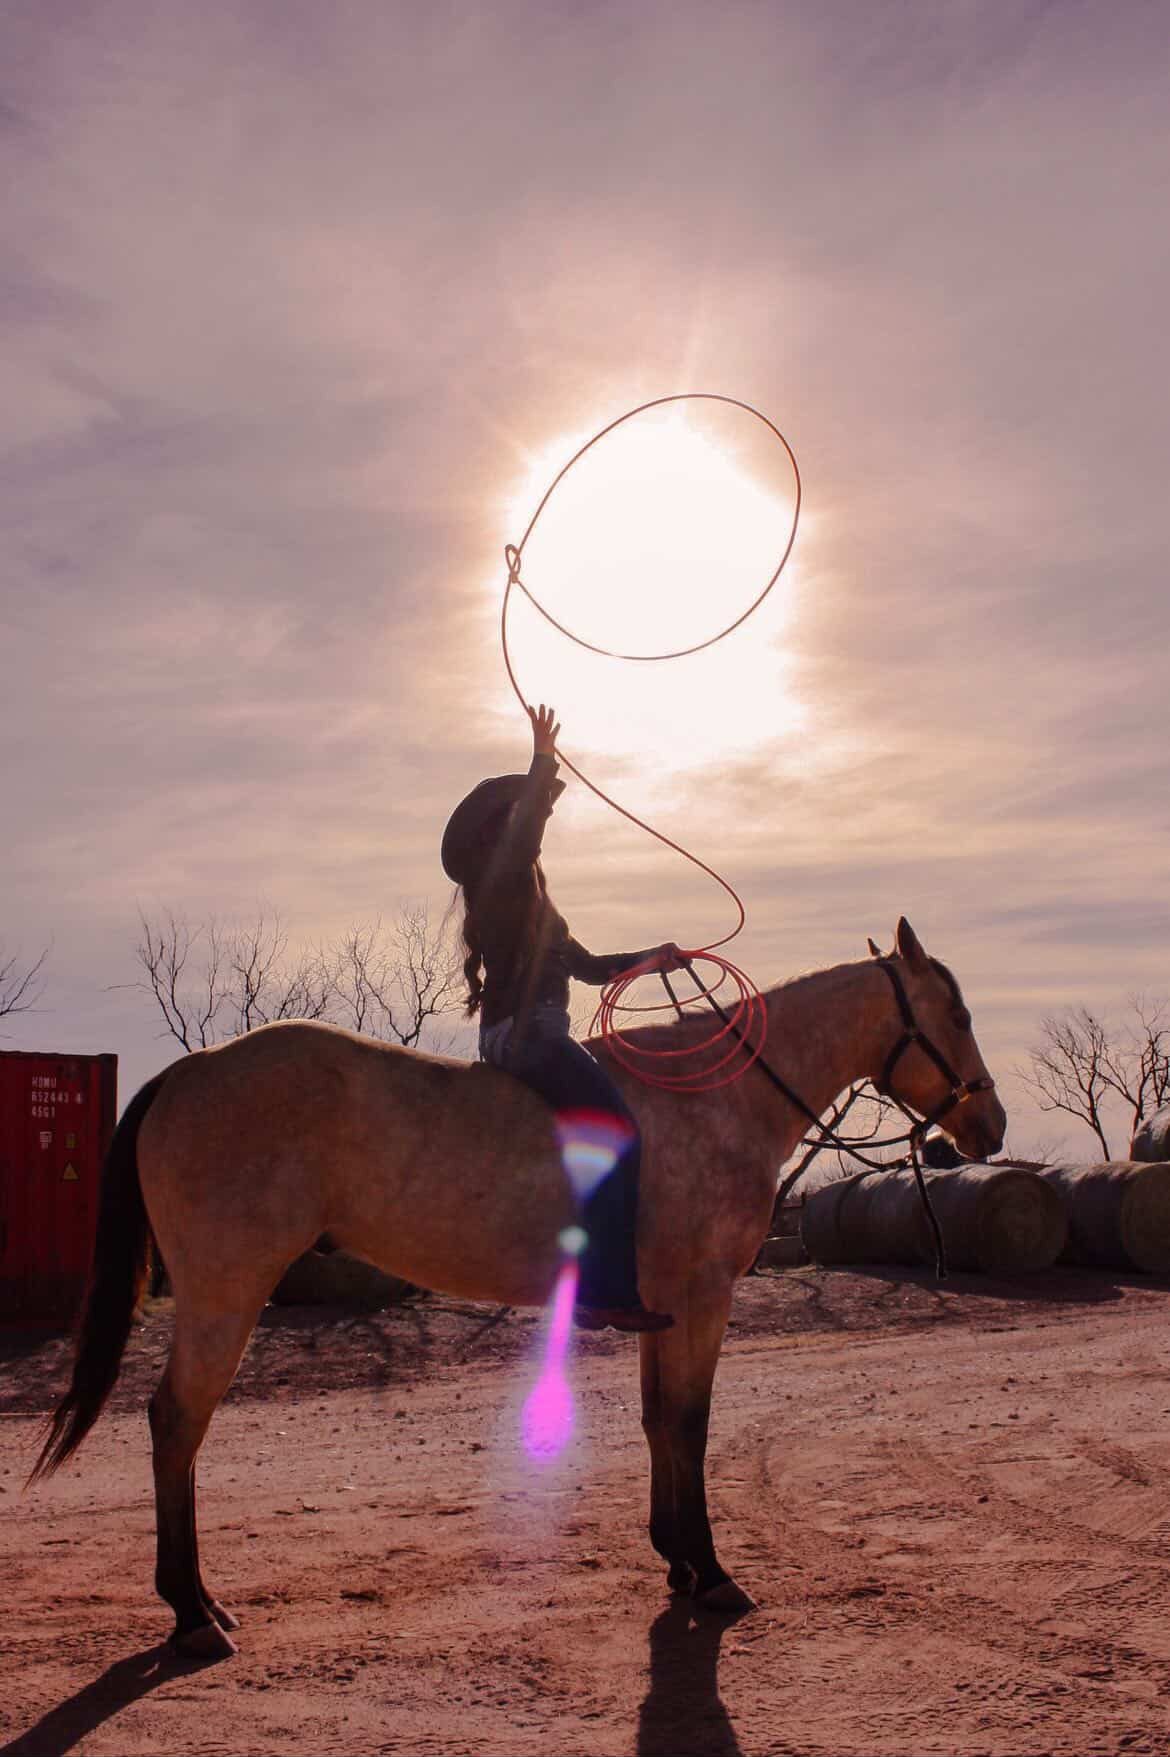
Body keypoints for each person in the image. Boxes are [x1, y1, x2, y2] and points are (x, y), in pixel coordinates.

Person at [441, 702, 683, 1333]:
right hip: (532, 1038)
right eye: (512, 823)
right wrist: (541, 761)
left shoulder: (533, 908)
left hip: (520, 1037)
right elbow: (525, 838)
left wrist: (652, 960)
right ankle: (607, 1293)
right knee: (619, 1136)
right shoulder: (505, 881)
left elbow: (592, 966)